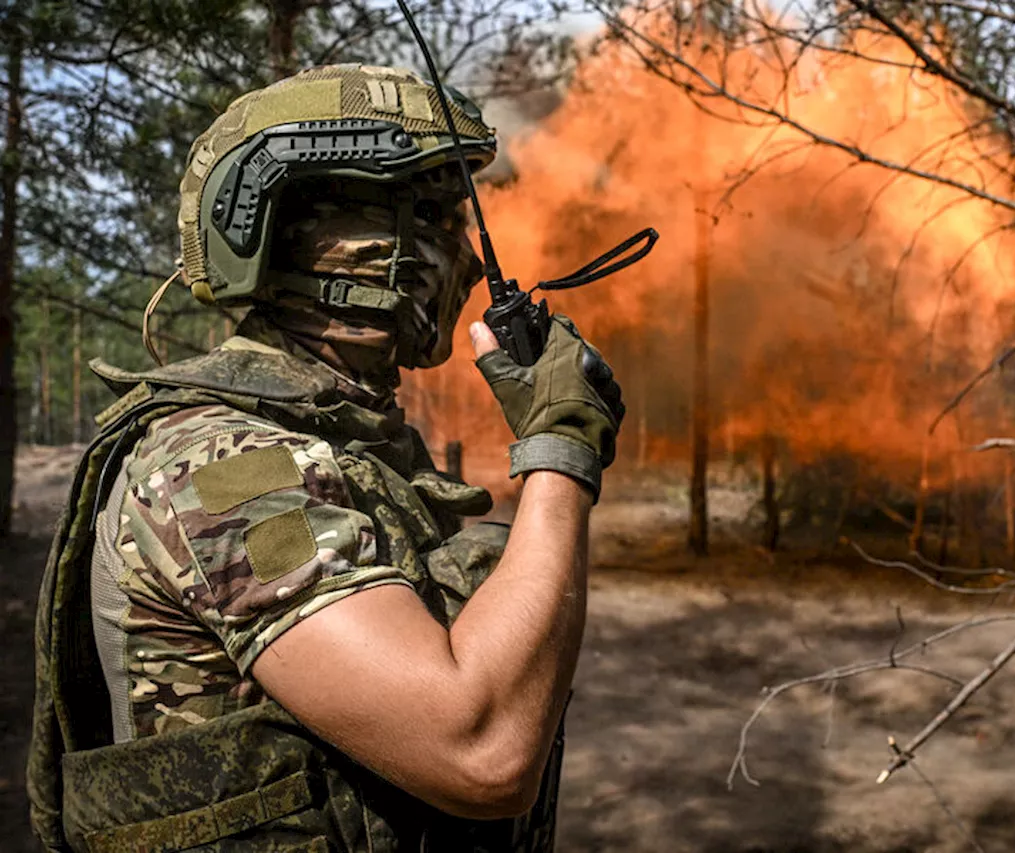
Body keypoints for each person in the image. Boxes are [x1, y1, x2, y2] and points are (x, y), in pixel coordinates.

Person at [28, 64, 624, 853]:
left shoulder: (347, 442)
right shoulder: (225, 469)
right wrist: (560, 451)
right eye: (445, 222)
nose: (472, 263)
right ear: (344, 250)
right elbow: (480, 748)